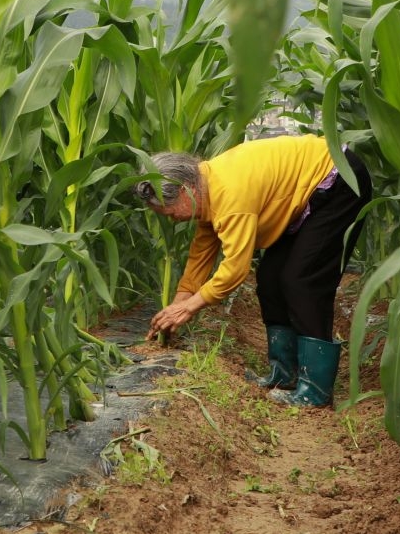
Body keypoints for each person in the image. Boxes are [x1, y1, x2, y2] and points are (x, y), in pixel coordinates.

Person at [136, 135, 371, 407]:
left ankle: (315, 389)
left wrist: (189, 308)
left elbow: (235, 269)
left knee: (302, 280)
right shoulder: (207, 188)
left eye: (168, 211)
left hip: (338, 177)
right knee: (270, 279)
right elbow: (201, 253)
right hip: (308, 191)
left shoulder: (229, 193)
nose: (171, 218)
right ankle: (284, 373)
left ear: (187, 189)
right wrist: (176, 306)